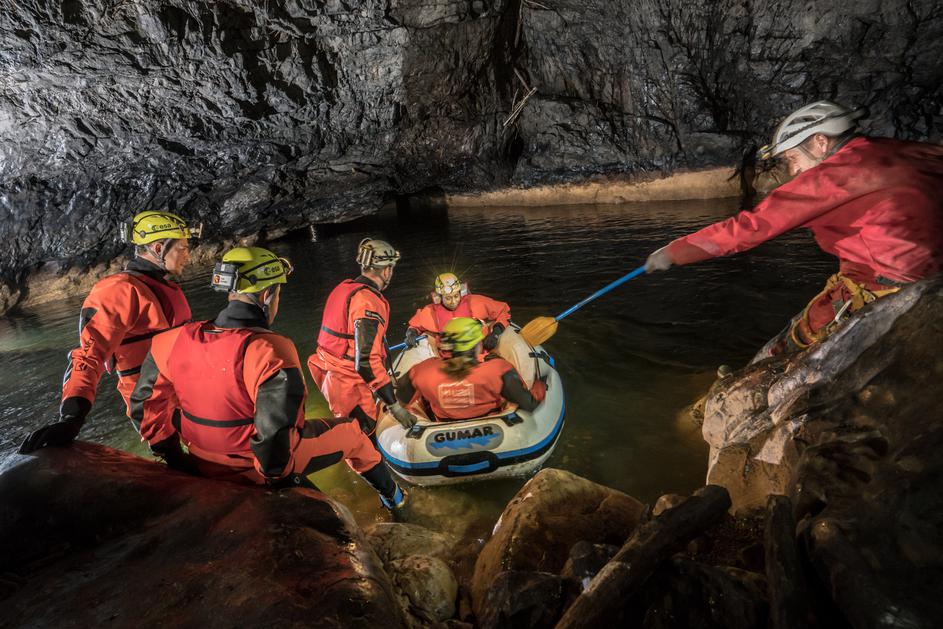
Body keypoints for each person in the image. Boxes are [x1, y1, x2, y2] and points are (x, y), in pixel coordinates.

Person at [645, 101, 943, 351]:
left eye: (792, 158)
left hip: (890, 284)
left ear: (820, 142)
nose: (794, 170)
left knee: (796, 339)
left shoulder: (831, 178)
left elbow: (751, 227)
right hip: (934, 275)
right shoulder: (904, 150)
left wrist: (675, 252)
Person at [129, 246, 407, 509]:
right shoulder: (271, 349)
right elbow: (275, 436)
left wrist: (174, 457)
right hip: (257, 468)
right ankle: (395, 499)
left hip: (199, 455)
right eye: (278, 293)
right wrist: (279, 482)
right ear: (267, 296)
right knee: (353, 434)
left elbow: (143, 405)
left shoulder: (170, 341)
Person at [19, 211, 197, 455]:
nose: (188, 254)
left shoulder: (163, 285)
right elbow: (87, 356)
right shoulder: (119, 291)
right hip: (158, 409)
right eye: (183, 248)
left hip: (187, 397)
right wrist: (71, 418)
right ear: (158, 247)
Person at [307, 238, 418, 437]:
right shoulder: (368, 301)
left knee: (352, 434)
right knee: (364, 442)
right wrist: (394, 406)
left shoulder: (342, 289)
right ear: (386, 270)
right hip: (350, 385)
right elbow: (365, 360)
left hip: (331, 375)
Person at [395, 317, 546, 421]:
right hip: (494, 425)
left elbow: (401, 399)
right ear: (476, 345)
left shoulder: (423, 371)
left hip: (441, 426)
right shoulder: (498, 369)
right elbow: (529, 404)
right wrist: (541, 383)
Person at [404, 272, 511, 351]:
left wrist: (495, 334)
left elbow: (503, 310)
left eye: (456, 296)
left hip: (479, 351)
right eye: (448, 298)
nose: (453, 301)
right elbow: (415, 325)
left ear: (461, 292)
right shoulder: (430, 312)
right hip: (448, 357)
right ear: (439, 298)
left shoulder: (476, 303)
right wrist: (411, 334)